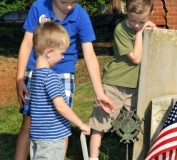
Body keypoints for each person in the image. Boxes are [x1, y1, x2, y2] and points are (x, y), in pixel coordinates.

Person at [15, 0, 115, 159]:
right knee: (29, 121)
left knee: (62, 122)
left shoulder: (81, 15)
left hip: (63, 71)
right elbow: (27, 44)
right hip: (36, 69)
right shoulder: (39, 7)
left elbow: (89, 56)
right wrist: (20, 78)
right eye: (64, 2)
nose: (68, 6)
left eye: (73, 2)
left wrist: (99, 93)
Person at [88, 0, 156, 159]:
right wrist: (140, 33)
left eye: (142, 22)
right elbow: (136, 58)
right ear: (127, 13)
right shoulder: (121, 29)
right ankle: (92, 157)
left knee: (139, 124)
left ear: (151, 14)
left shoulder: (149, 28)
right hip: (114, 85)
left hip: (136, 87)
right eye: (133, 20)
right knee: (101, 124)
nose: (137, 25)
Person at [29, 21, 91, 159]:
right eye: (62, 53)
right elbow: (61, 106)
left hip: (38, 137)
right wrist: (80, 123)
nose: (63, 57)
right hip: (52, 140)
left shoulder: (35, 76)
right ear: (49, 52)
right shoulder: (50, 77)